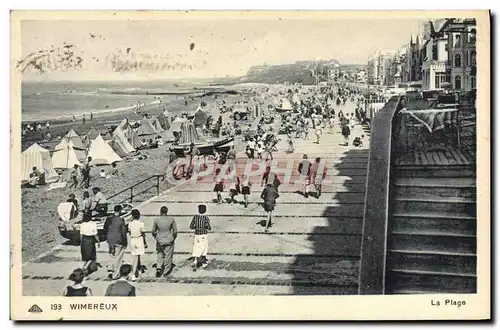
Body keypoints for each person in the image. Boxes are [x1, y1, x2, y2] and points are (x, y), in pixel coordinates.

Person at [152, 206, 177, 277]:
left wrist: (156, 237)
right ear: (167, 211)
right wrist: (173, 238)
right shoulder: (171, 219)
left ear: (160, 211)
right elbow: (175, 231)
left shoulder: (156, 219)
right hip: (169, 238)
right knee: (168, 255)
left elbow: (153, 231)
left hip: (160, 239)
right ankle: (166, 271)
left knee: (160, 253)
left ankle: (159, 268)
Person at [104, 205, 127, 280]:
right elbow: (123, 232)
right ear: (120, 211)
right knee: (118, 257)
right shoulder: (121, 220)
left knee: (111, 254)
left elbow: (105, 228)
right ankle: (116, 274)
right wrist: (125, 241)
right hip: (118, 239)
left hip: (110, 239)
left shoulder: (109, 219)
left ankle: (110, 269)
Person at [189, 204, 212, 271]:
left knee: (196, 246)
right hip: (203, 234)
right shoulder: (206, 218)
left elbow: (191, 226)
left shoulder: (195, 217)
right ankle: (203, 262)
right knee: (204, 248)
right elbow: (209, 227)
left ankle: (195, 260)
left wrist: (196, 228)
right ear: (205, 210)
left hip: (197, 234)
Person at [128, 209, 147, 281]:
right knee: (136, 257)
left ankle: (138, 268)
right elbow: (143, 234)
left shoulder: (130, 224)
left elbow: (129, 232)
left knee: (137, 255)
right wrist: (145, 243)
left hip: (133, 239)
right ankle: (133, 274)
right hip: (139, 239)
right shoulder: (141, 224)